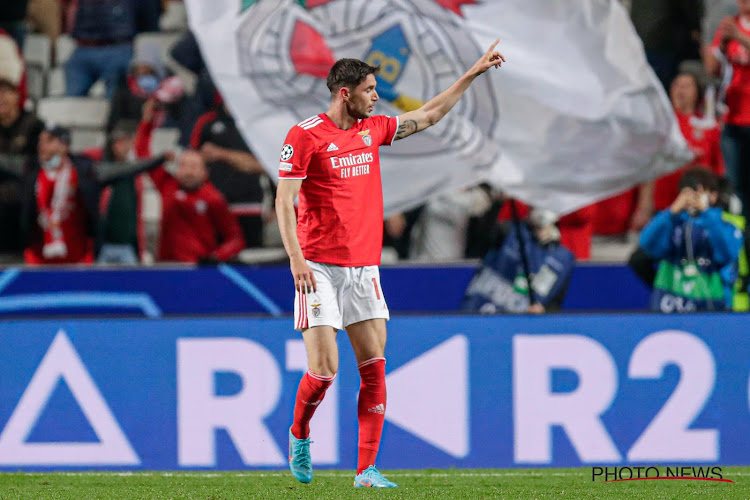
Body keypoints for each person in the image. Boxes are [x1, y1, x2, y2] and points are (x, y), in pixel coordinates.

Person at [276, 40, 504, 487]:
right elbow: (285, 203)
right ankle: (299, 432)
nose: (377, 96)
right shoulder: (305, 135)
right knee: (324, 371)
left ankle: (366, 470)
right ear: (346, 93)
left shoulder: (373, 130)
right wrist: (296, 260)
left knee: (375, 368)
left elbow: (431, 113)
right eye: (370, 89)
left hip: (363, 269)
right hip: (318, 266)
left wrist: (472, 73)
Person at [639, 168, 743, 312]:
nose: (693, 199)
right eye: (688, 193)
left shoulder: (724, 224)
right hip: (669, 303)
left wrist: (706, 215)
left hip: (712, 305)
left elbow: (727, 254)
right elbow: (647, 244)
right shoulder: (671, 222)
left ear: (713, 196)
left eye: (700, 193)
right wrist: (671, 212)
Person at [461, 207, 574, 314]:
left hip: (517, 327)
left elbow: (554, 305)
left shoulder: (563, 259)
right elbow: (480, 239)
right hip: (477, 313)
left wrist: (544, 311)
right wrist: (497, 205)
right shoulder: (508, 230)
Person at [151, 150, 245, 263]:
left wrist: (216, 257)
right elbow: (143, 154)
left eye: (194, 167)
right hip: (166, 266)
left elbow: (236, 238)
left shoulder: (213, 198)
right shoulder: (167, 186)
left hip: (197, 267)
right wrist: (162, 157)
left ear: (205, 172)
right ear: (177, 170)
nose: (188, 172)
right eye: (184, 166)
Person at [705, 0, 750, 220]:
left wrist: (742, 39)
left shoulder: (738, 32)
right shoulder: (729, 26)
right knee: (734, 187)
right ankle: (735, 244)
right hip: (733, 119)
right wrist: (722, 45)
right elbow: (712, 70)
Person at [0, 73, 43, 257]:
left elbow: (37, 163)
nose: (1, 98)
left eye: (5, 92)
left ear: (17, 96)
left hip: (25, 192)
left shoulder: (33, 125)